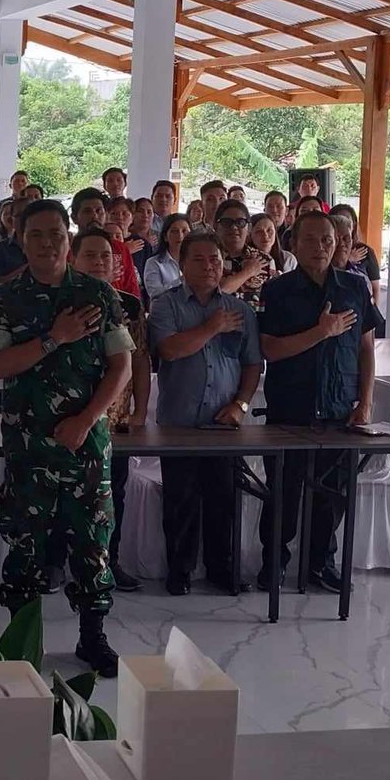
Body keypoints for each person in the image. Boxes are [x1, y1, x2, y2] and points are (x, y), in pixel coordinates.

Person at [0, 199, 132, 677]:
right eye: (36, 235)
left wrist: (86, 420)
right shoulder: (4, 298)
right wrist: (54, 338)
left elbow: (121, 367)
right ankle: (22, 639)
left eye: (56, 234)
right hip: (28, 446)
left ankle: (93, 636)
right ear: (20, 240)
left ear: (69, 238)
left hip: (86, 444)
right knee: (24, 543)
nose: (47, 243)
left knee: (92, 540)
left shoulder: (97, 294)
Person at [257, 211, 378, 594]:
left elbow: (366, 348)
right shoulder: (277, 290)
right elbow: (270, 349)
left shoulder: (354, 286)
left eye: (327, 239)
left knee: (331, 495)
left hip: (339, 407)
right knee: (284, 492)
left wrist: (365, 402)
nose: (320, 247)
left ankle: (320, 564)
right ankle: (274, 563)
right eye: (309, 239)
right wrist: (320, 332)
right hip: (290, 407)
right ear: (293, 244)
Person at [149, 230, 262, 597]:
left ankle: (222, 569)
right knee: (180, 500)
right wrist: (212, 327)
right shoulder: (166, 306)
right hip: (179, 420)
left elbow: (252, 363)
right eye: (198, 259)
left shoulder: (241, 310)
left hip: (223, 422)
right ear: (182, 265)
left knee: (223, 499)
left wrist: (240, 405)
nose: (209, 266)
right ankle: (179, 571)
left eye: (215, 259)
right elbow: (169, 350)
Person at [69, 228, 148, 594]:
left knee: (112, 492)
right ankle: (56, 564)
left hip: (114, 417)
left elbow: (140, 359)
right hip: (69, 413)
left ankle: (108, 561)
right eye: (91, 255)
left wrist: (140, 411)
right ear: (73, 259)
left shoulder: (129, 304)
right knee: (63, 492)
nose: (100, 262)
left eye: (107, 256)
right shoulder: (60, 300)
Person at [70, 187, 139, 296]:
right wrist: (104, 280)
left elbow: (132, 289)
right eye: (87, 211)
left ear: (106, 215)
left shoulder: (120, 248)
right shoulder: (66, 249)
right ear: (74, 218)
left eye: (99, 211)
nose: (94, 216)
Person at [214, 199, 271, 312]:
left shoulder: (264, 259)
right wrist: (248, 272)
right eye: (227, 222)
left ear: (249, 228)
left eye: (240, 222)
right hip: (217, 319)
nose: (234, 227)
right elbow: (218, 292)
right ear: (216, 226)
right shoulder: (208, 259)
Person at [329, 204, 381, 308]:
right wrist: (347, 261)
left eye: (346, 239)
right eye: (337, 239)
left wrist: (375, 310)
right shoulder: (322, 259)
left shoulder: (359, 281)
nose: (342, 244)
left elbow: (375, 289)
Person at [143, 214, 190, 301]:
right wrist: (182, 280)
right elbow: (155, 294)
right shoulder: (153, 263)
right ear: (165, 237)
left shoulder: (198, 262)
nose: (180, 236)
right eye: (174, 231)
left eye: (184, 231)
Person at [0, 200, 26, 290]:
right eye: (19, 215)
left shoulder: (47, 246)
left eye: (28, 215)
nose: (24, 219)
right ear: (12, 219)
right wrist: (26, 269)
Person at [249, 212, 296, 277]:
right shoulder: (245, 261)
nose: (265, 235)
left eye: (269, 230)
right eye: (259, 231)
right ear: (250, 234)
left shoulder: (288, 259)